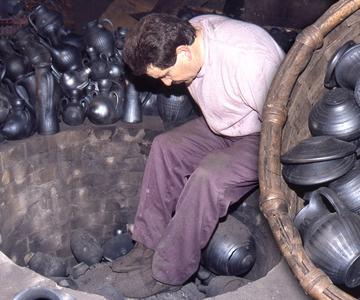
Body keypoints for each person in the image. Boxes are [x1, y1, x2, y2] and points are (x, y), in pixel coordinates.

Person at [110, 13, 284, 298]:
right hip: (224, 124)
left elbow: (283, 131)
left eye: (166, 74)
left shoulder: (251, 60)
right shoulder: (189, 31)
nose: (166, 84)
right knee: (165, 148)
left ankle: (170, 273)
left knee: (209, 177)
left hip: (265, 136)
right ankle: (147, 246)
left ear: (183, 51)